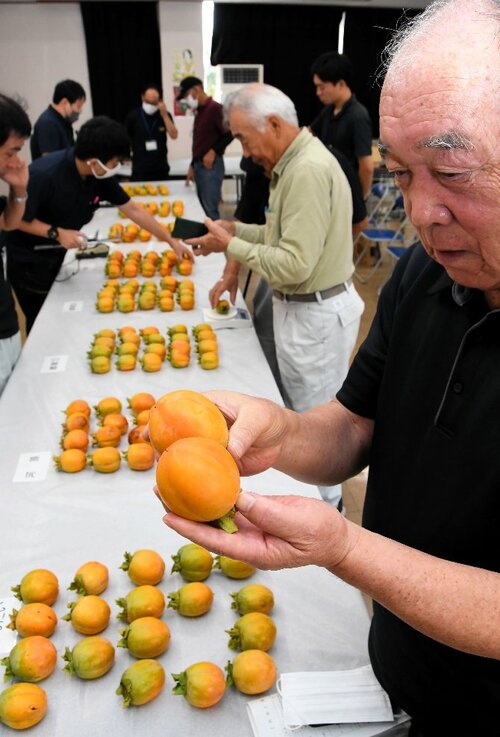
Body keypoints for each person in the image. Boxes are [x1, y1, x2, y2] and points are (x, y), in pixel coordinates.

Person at [162, 1, 500, 733]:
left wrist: (344, 546)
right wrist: (278, 432)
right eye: (404, 175)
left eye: (452, 172)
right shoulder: (421, 279)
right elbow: (354, 422)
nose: (422, 212)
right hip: (399, 671)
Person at [187, 84, 364, 509]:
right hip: (306, 310)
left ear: (274, 124)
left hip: (314, 316)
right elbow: (280, 237)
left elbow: (294, 264)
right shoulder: (294, 164)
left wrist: (232, 247)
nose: (245, 153)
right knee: (304, 417)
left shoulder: (305, 170)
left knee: (316, 431)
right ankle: (322, 507)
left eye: (245, 140)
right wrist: (235, 231)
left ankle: (328, 512)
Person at [2, 116, 192, 333]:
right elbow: (14, 222)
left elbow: (134, 210)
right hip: (31, 262)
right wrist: (56, 233)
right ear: (93, 161)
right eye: (114, 164)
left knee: (65, 321)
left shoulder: (98, 175)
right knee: (43, 325)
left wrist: (170, 240)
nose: (116, 168)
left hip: (58, 255)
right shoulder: (44, 175)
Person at [310, 52, 374, 199]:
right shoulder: (328, 111)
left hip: (347, 197)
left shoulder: (358, 116)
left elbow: (367, 167)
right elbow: (309, 133)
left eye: (322, 87)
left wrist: (360, 202)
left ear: (340, 84)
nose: (318, 93)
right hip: (328, 192)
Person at [0, 94, 30, 394]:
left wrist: (19, 190)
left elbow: (7, 223)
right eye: (12, 151)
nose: (16, 161)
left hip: (5, 319)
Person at [176, 76, 232, 220]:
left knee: (210, 210)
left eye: (187, 96)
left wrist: (214, 151)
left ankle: (216, 241)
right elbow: (200, 143)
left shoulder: (215, 108)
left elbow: (230, 133)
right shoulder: (201, 111)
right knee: (201, 209)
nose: (187, 101)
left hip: (210, 167)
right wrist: (192, 165)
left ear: (197, 89)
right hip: (199, 166)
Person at [125, 83, 178, 181]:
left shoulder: (164, 115)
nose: (151, 105)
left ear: (159, 101)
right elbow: (126, 138)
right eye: (148, 102)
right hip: (140, 168)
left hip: (160, 168)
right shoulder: (133, 116)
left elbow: (174, 135)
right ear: (142, 98)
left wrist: (165, 115)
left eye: (154, 103)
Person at [30, 79, 86, 161]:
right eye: (78, 106)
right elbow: (49, 162)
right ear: (64, 102)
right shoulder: (48, 124)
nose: (80, 111)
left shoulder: (64, 123)